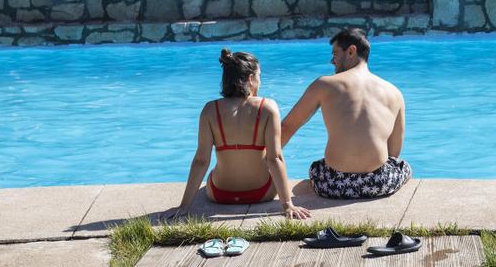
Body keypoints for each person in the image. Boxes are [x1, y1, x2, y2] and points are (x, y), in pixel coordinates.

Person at [166, 50, 311, 219]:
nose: (260, 82)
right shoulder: (267, 107)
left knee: (212, 175)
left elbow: (201, 160)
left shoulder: (210, 110)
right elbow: (275, 158)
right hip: (262, 193)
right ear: (250, 79)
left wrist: (184, 207)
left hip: (220, 194)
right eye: (259, 76)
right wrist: (287, 205)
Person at [281, 29, 411, 199]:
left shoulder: (324, 84)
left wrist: (264, 160)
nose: (331, 61)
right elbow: (393, 153)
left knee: (316, 167)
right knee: (404, 167)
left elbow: (287, 127)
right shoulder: (394, 93)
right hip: (379, 183)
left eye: (335, 54)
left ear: (351, 51)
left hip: (331, 184)